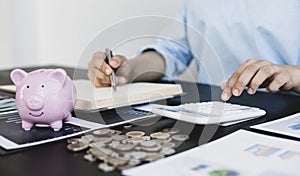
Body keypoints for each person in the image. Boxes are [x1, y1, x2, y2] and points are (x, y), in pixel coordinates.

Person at [88, 0, 300, 101]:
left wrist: (293, 75)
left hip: (282, 114)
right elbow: (172, 51)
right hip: (214, 111)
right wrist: (129, 70)